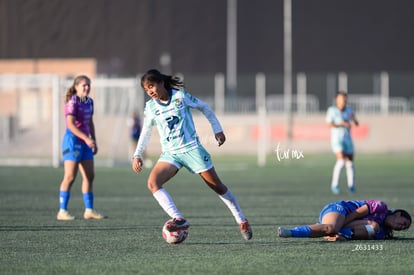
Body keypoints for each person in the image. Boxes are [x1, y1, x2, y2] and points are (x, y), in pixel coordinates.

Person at [131, 69, 252, 240]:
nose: (150, 91)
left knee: (217, 186)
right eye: (146, 90)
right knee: (152, 183)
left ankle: (241, 220)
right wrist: (137, 154)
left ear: (160, 83)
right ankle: (178, 218)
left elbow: (204, 107)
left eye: (151, 86)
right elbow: (146, 130)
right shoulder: (150, 107)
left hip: (192, 149)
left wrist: (217, 130)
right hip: (170, 154)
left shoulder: (180, 96)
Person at [57, 75, 106, 220]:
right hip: (72, 141)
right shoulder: (73, 101)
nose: (87, 88)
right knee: (70, 176)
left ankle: (89, 210)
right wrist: (86, 138)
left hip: (86, 142)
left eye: (88, 85)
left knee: (89, 176)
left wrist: (94, 140)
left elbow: (90, 122)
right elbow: (71, 125)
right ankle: (62, 211)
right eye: (84, 85)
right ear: (76, 86)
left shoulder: (89, 102)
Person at [278, 200, 411, 240]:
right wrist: (340, 225)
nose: (401, 227)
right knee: (331, 228)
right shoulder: (381, 207)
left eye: (403, 228)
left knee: (331, 229)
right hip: (340, 209)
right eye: (403, 223)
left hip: (342, 224)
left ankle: (336, 234)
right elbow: (356, 213)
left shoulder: (383, 232)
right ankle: (290, 232)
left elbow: (362, 236)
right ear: (398, 213)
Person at [326, 91, 359, 194]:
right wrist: (341, 124)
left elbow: (356, 122)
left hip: (347, 139)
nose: (343, 101)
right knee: (341, 161)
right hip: (337, 139)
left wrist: (354, 120)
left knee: (349, 163)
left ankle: (351, 186)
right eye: (341, 99)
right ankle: (334, 185)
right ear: (337, 100)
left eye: (344, 99)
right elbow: (329, 124)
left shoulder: (349, 110)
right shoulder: (332, 110)